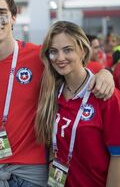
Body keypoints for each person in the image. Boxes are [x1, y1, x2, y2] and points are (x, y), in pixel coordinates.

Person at [0, 0, 115, 186]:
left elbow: (85, 69)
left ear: (14, 17)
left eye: (1, 13)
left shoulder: (41, 57)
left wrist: (106, 74)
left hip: (32, 174)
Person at [35, 21, 120, 186]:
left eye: (68, 50)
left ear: (83, 50)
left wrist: (106, 73)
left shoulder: (106, 95)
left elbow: (117, 156)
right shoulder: (52, 94)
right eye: (53, 51)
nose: (60, 58)